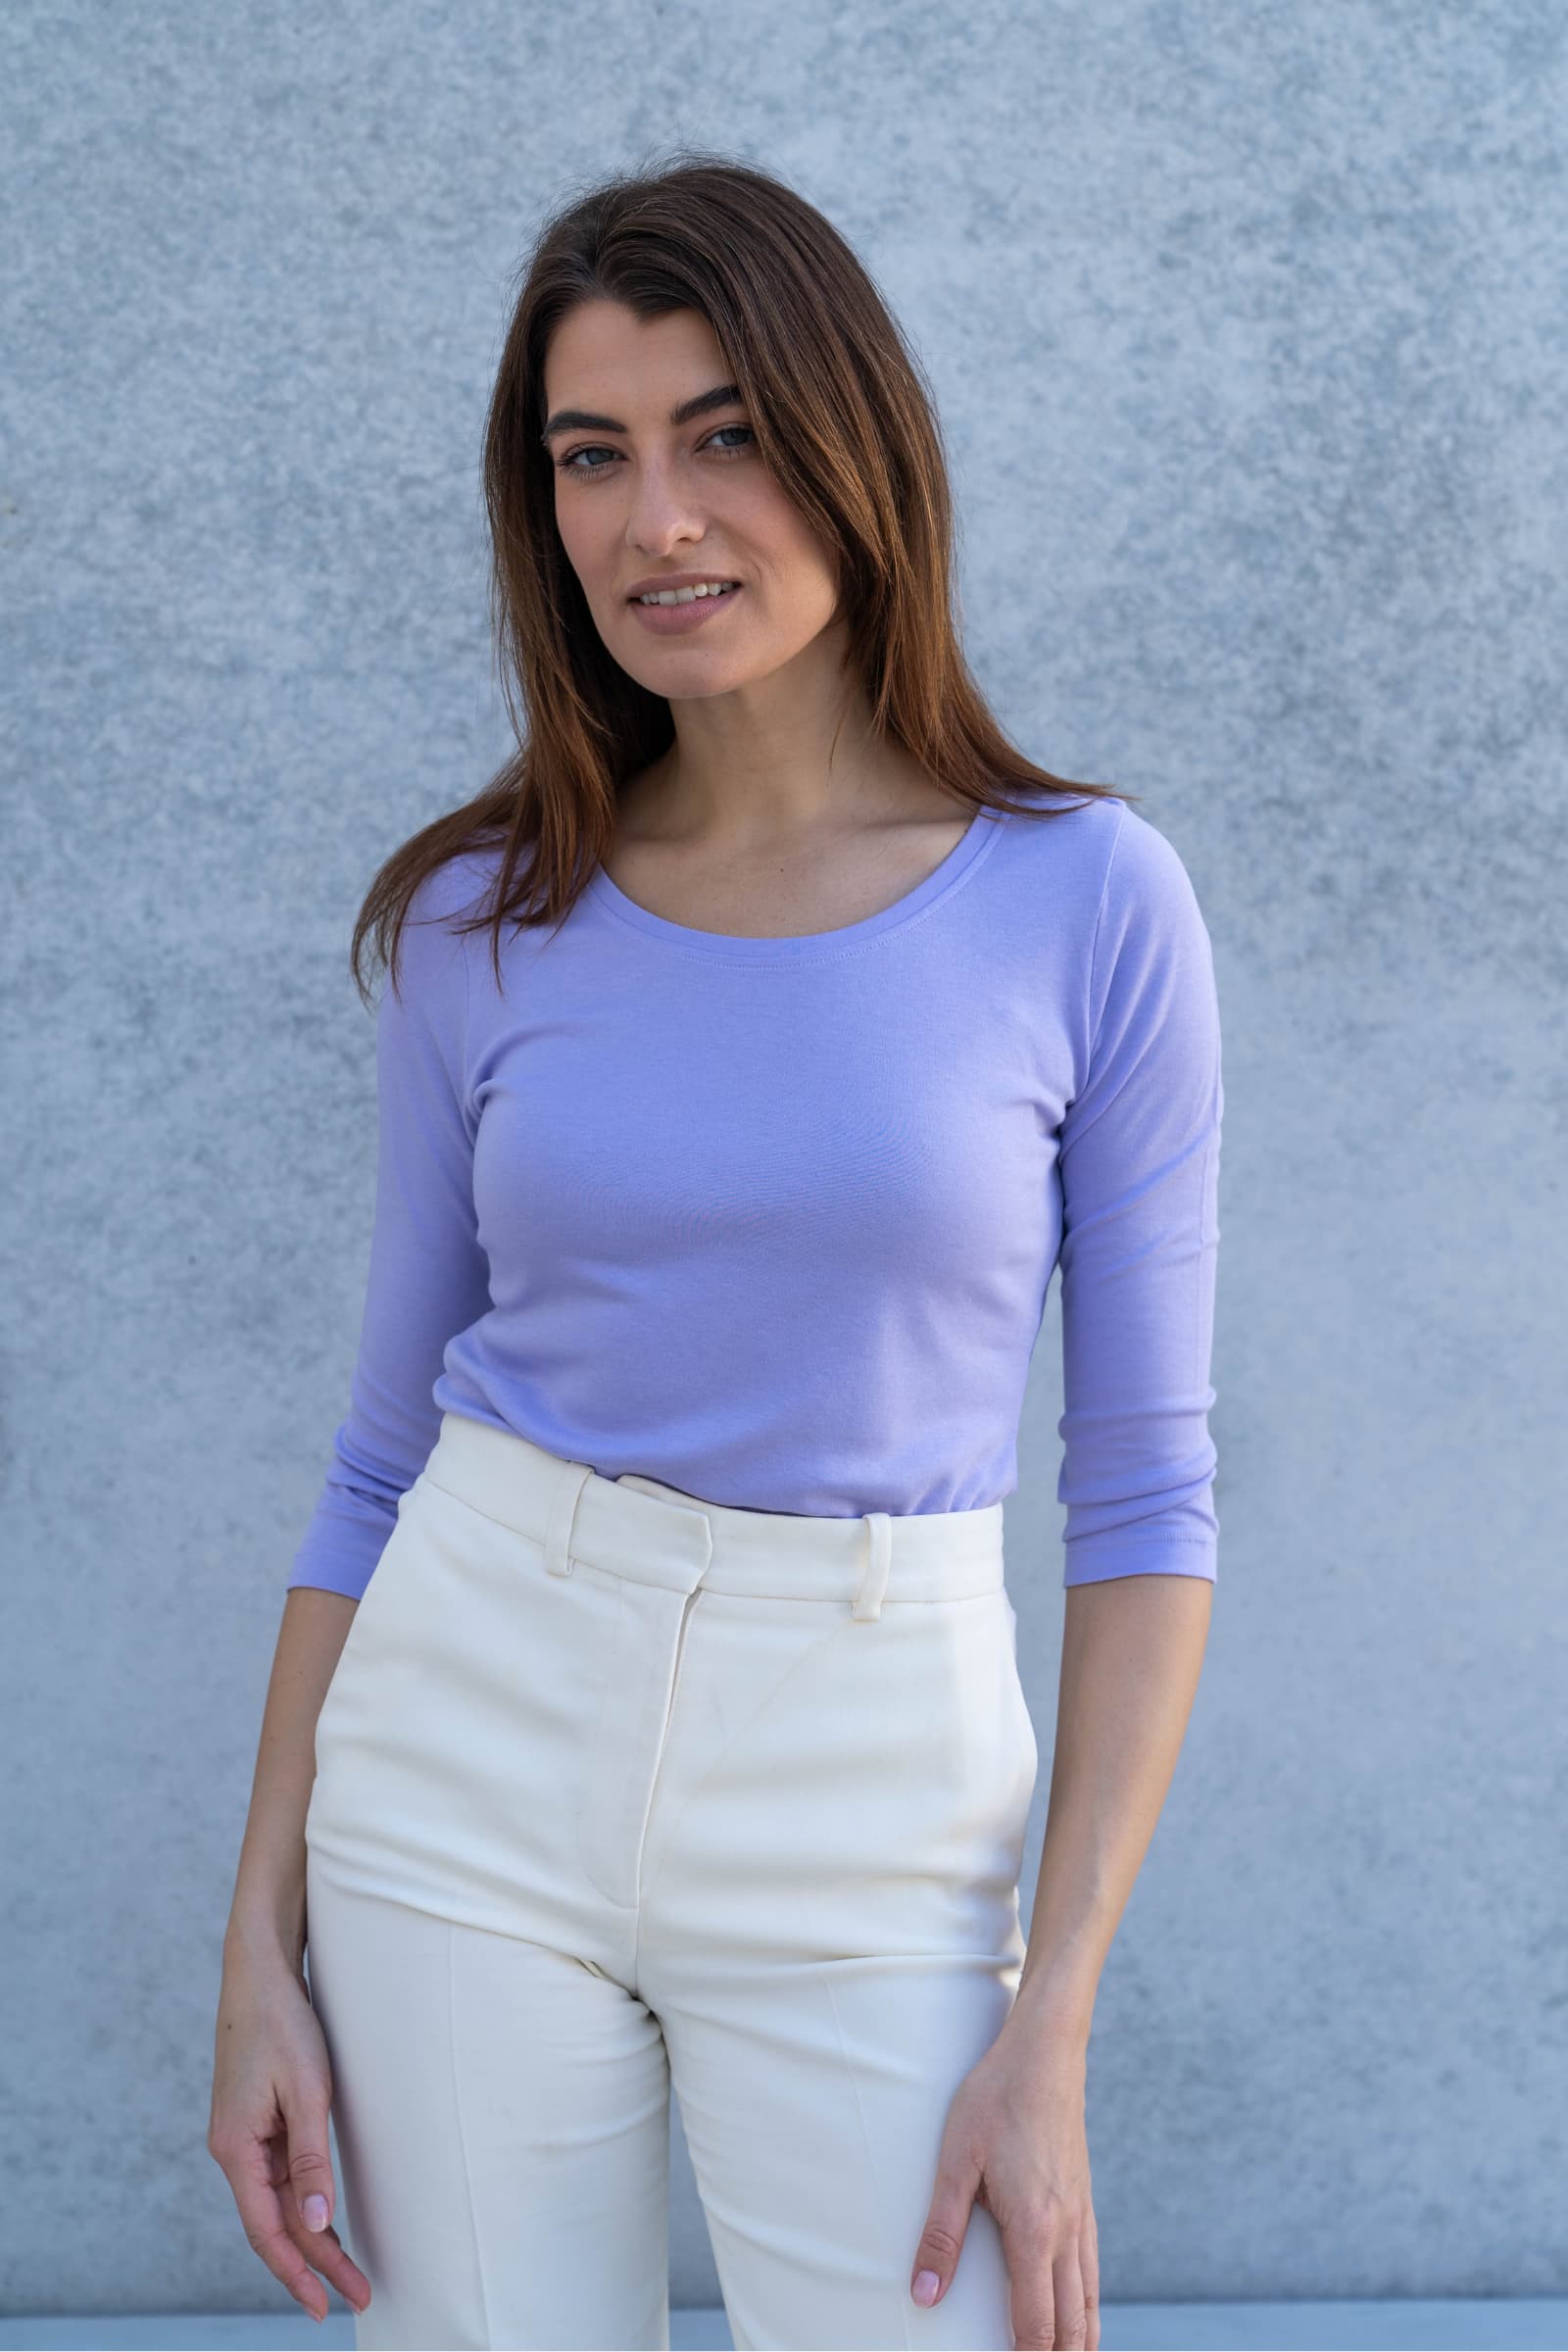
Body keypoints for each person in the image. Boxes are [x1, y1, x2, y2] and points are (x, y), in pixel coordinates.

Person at [208, 151, 1222, 2352]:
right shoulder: (485, 917)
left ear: (855, 451)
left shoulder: (1085, 900)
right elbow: (379, 1455)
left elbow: (1143, 1499)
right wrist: (252, 1954)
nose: (654, 517)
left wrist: (1044, 2036)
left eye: (723, 434)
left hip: (871, 1776)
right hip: (464, 1738)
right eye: (594, 455)